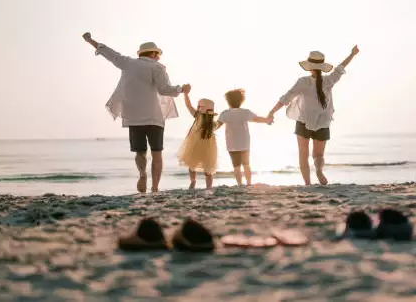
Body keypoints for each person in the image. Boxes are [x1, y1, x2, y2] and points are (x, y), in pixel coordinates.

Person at [82, 32, 190, 193]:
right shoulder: (157, 67)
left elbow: (108, 53)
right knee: (157, 153)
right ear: (153, 54)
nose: (159, 58)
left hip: (134, 117)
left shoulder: (127, 63)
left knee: (140, 152)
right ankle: (154, 187)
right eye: (158, 55)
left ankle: (142, 174)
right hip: (154, 117)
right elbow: (164, 89)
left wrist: (90, 40)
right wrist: (181, 89)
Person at [267, 45, 360, 186]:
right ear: (322, 67)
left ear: (309, 67)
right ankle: (318, 169)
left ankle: (308, 184)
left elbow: (285, 99)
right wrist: (352, 54)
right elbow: (341, 68)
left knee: (303, 155)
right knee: (318, 155)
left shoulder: (303, 82)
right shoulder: (329, 80)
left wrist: (272, 112)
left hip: (303, 122)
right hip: (323, 122)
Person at [216, 89, 273, 186]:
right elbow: (257, 119)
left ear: (228, 101)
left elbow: (217, 125)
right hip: (244, 142)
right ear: (241, 101)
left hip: (232, 143)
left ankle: (239, 184)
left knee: (236, 166)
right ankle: (249, 183)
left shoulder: (225, 113)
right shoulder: (245, 112)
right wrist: (267, 120)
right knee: (246, 164)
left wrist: (206, 128)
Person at [177, 89, 218, 189]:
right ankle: (209, 186)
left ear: (200, 108)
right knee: (208, 168)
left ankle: (193, 181)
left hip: (194, 145)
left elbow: (188, 105)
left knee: (192, 164)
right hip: (209, 148)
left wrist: (186, 95)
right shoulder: (212, 123)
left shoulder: (198, 116)